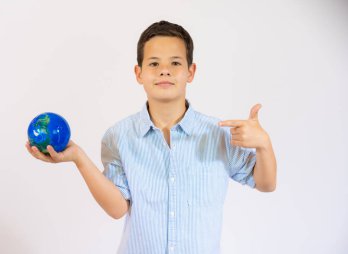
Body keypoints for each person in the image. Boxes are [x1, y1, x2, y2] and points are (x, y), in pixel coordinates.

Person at [26, 20, 277, 254]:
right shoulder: (118, 136)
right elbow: (117, 209)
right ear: (139, 73)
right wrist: (78, 157)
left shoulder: (219, 134)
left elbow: (266, 183)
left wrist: (264, 145)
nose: (164, 71)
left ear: (191, 72)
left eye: (175, 63)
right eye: (154, 63)